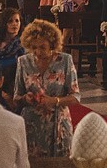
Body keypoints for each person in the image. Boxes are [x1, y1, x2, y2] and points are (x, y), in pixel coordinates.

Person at [14, 18, 79, 157]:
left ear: (52, 45)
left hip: (58, 124)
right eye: (34, 47)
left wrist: (54, 101)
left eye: (42, 47)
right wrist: (26, 98)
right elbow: (17, 96)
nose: (37, 52)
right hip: (32, 125)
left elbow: (76, 97)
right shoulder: (23, 62)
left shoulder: (65, 61)